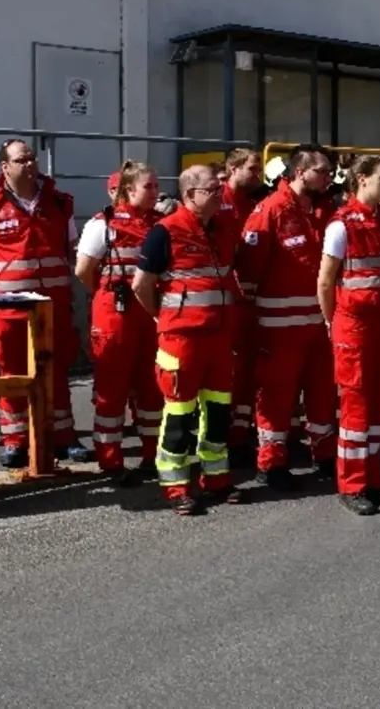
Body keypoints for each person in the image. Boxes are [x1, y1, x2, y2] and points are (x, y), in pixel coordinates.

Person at [0, 140, 91, 468]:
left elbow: (72, 250)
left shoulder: (59, 203)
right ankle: (15, 440)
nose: (30, 164)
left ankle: (64, 436)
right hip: (9, 312)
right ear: (4, 167)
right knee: (12, 374)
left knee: (57, 371)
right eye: (21, 160)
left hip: (52, 309)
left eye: (32, 158)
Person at [131, 164, 243, 515]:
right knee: (179, 414)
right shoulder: (165, 231)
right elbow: (141, 284)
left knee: (218, 412)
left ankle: (217, 478)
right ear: (190, 195)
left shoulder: (223, 228)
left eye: (220, 187)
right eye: (212, 189)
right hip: (182, 338)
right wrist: (161, 316)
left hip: (218, 337)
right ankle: (176, 486)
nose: (220, 193)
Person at [236, 144, 337, 491]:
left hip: (319, 325)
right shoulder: (270, 210)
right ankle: (271, 463)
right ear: (299, 172)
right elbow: (247, 274)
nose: (327, 178)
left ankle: (325, 454)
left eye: (329, 172)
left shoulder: (324, 211)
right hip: (279, 327)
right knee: (276, 397)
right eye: (321, 171)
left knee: (322, 393)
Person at [317, 155, 380, 516]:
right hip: (355, 327)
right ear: (362, 180)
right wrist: (332, 323)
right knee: (356, 409)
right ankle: (352, 485)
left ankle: (375, 479)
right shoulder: (341, 225)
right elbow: (326, 282)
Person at [75, 161, 164, 481]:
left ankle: (153, 456)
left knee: (152, 387)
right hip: (115, 313)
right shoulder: (103, 224)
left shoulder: (161, 223)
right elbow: (84, 271)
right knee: (112, 390)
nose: (155, 192)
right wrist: (107, 295)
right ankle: (111, 461)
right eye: (148, 186)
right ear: (128, 189)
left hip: (151, 313)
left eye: (156, 186)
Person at [219, 148, 264, 463]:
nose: (257, 175)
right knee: (226, 373)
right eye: (252, 169)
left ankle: (239, 433)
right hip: (222, 303)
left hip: (248, 302)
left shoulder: (252, 205)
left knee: (247, 371)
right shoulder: (217, 202)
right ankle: (220, 436)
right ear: (233, 168)